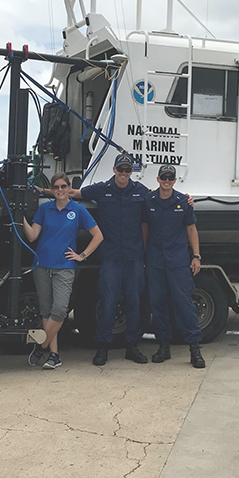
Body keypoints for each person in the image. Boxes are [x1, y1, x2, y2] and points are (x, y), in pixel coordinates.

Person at [58, 152, 151, 366]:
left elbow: (161, 196)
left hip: (133, 257)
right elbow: (74, 192)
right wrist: (49, 191)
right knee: (107, 302)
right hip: (110, 258)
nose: (124, 174)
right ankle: (103, 347)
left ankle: (132, 346)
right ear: (114, 170)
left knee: (134, 302)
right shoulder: (102, 189)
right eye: (121, 169)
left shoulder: (140, 192)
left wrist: (187, 199)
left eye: (128, 170)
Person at [22, 172, 103, 369]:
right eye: (56, 187)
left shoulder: (78, 210)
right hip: (41, 266)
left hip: (65, 267)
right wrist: (20, 217)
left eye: (63, 187)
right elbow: (32, 236)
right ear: (52, 189)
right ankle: (54, 355)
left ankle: (40, 346)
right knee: (46, 311)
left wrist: (82, 255)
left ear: (69, 189)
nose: (60, 190)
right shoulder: (44, 209)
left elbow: (98, 236)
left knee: (60, 310)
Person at [141, 164, 206, 368]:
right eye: (164, 178)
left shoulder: (183, 202)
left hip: (177, 261)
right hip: (155, 261)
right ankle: (163, 346)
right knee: (158, 304)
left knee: (183, 304)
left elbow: (191, 229)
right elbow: (144, 228)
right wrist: (144, 254)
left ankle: (194, 348)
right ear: (158, 180)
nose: (167, 181)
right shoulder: (148, 200)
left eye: (170, 178)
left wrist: (196, 256)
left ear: (175, 181)